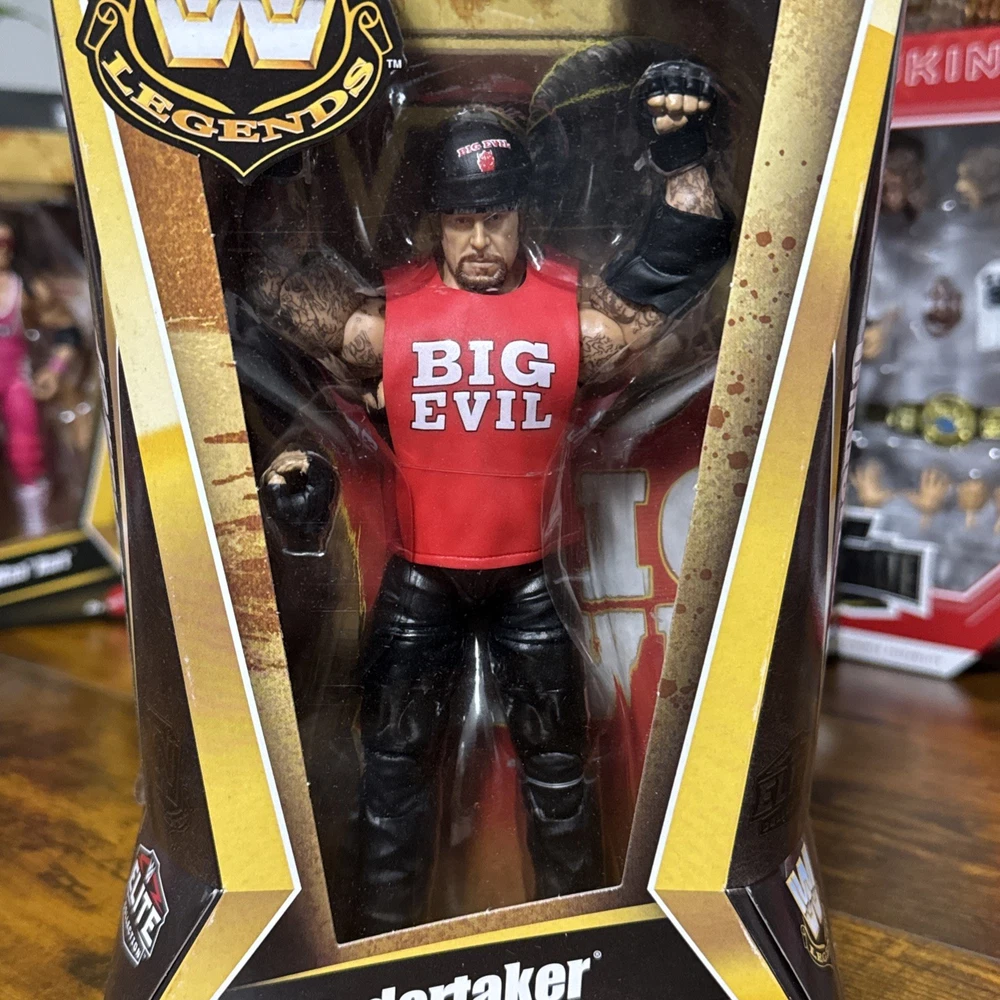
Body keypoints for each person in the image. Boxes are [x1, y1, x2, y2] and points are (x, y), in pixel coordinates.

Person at [262, 59, 733, 936]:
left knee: (559, 773)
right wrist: (272, 148)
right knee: (393, 774)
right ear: (436, 220)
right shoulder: (382, 323)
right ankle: (377, 944)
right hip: (420, 580)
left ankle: (580, 938)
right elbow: (278, 288)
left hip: (530, 581)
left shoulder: (576, 322)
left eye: (497, 216)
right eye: (461, 218)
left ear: (523, 215)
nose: (480, 239)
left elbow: (673, 275)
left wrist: (683, 154)